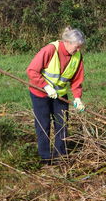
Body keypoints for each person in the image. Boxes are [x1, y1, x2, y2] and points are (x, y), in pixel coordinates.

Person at [26, 27, 87, 164]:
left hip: (60, 95)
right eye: (76, 47)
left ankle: (60, 156)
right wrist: (46, 86)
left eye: (80, 48)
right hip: (40, 93)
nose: (78, 51)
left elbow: (77, 79)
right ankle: (45, 158)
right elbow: (32, 70)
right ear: (68, 42)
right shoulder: (50, 50)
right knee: (43, 125)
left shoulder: (77, 56)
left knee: (62, 124)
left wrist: (77, 97)